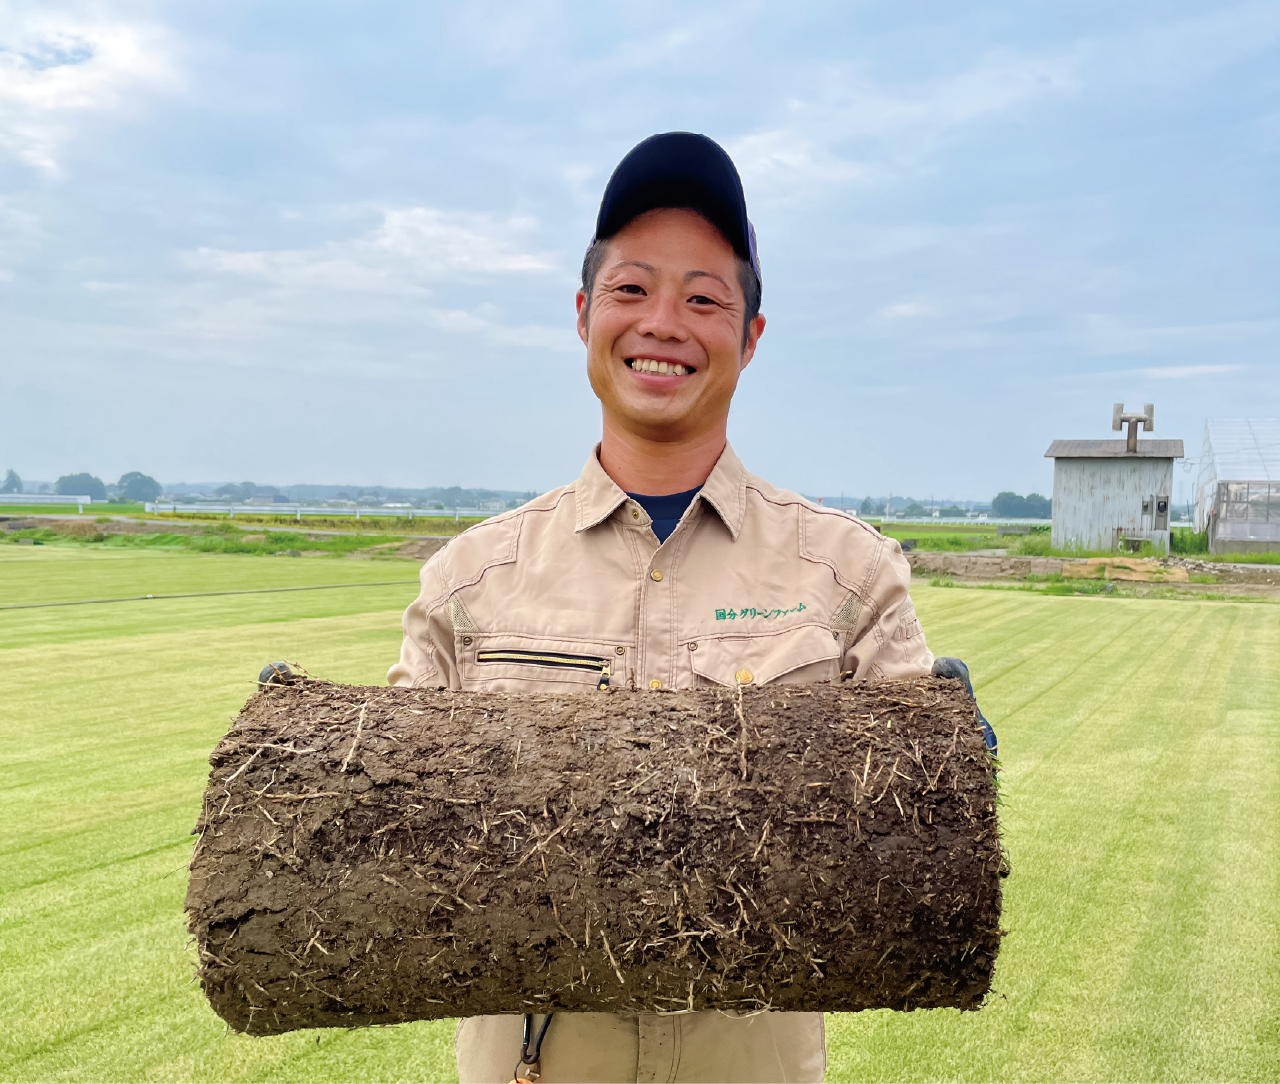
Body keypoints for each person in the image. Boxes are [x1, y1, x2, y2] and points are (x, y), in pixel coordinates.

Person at [388, 132, 933, 1084]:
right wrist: (313, 755)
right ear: (583, 314)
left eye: (704, 298)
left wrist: (947, 758)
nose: (663, 323)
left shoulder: (851, 576)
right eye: (632, 290)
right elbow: (396, 848)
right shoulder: (469, 585)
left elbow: (919, 864)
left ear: (751, 336)